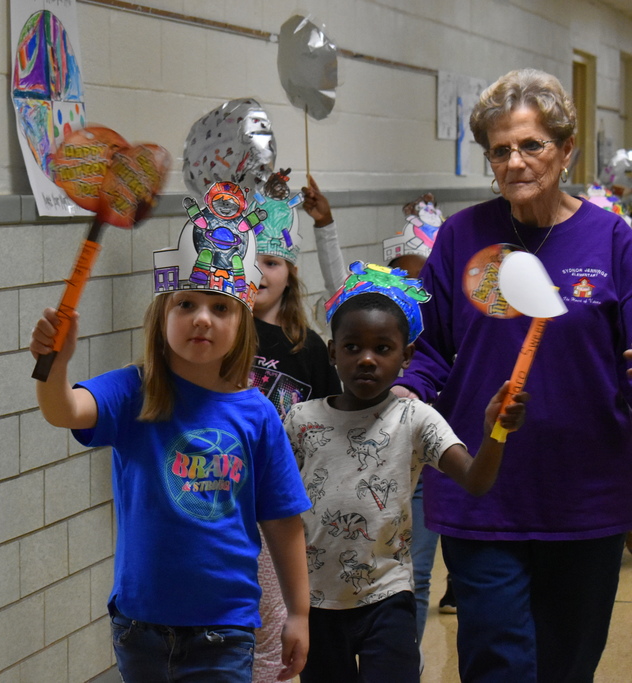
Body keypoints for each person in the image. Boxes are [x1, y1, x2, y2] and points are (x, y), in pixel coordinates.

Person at [394, 68, 632, 682]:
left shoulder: (611, 240)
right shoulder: (461, 236)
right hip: (483, 493)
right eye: (500, 150)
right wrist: (402, 395)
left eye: (532, 145)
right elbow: (429, 350)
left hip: (588, 499)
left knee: (567, 667)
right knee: (495, 665)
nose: (516, 162)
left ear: (566, 149)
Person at [30, 205, 313, 683]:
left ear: (241, 323)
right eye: (186, 304)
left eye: (219, 307)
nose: (202, 318)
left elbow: (284, 522)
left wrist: (298, 613)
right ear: (162, 316)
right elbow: (64, 411)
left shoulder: (257, 414)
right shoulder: (133, 392)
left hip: (226, 627)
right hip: (141, 626)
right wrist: (56, 364)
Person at [286, 264, 527, 682]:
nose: (366, 358)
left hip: (387, 596)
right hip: (316, 601)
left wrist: (495, 434)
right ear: (332, 352)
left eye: (382, 348)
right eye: (352, 346)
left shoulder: (415, 417)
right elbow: (276, 505)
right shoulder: (301, 419)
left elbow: (476, 480)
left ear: (406, 356)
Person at [250, 189, 341, 683]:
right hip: (229, 494)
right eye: (250, 261)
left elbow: (328, 426)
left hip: (286, 504)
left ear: (291, 273)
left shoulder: (309, 349)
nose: (261, 273)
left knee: (278, 616)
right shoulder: (225, 333)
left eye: (272, 262)